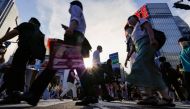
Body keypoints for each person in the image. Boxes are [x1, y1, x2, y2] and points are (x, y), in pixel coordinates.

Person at [23, 1, 98, 106]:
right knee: (80, 68)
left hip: (72, 39)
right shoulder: (82, 16)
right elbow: (78, 25)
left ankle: (33, 94)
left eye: (70, 5)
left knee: (54, 63)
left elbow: (75, 19)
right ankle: (91, 95)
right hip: (77, 40)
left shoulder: (75, 7)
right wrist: (69, 28)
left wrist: (70, 29)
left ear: (73, 4)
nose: (69, 7)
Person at [125, 15, 175, 107]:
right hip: (140, 48)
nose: (128, 20)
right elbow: (133, 46)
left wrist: (152, 39)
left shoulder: (141, 21)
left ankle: (149, 97)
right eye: (128, 20)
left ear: (135, 18)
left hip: (147, 44)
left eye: (130, 18)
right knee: (152, 72)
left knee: (139, 66)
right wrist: (128, 57)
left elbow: (149, 28)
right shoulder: (133, 32)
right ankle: (165, 98)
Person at [0, 17, 46, 104]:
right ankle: (22, 93)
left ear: (31, 22)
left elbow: (14, 32)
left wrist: (1, 40)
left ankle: (14, 94)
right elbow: (40, 54)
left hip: (25, 50)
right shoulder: (41, 34)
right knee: (22, 69)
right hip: (38, 57)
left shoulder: (27, 25)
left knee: (17, 66)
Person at [178, 37, 190, 104]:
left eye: (181, 42)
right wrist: (181, 72)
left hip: (187, 70)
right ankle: (188, 99)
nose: (180, 44)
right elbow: (181, 63)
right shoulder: (181, 52)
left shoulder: (188, 49)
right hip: (185, 71)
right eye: (180, 43)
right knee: (187, 85)